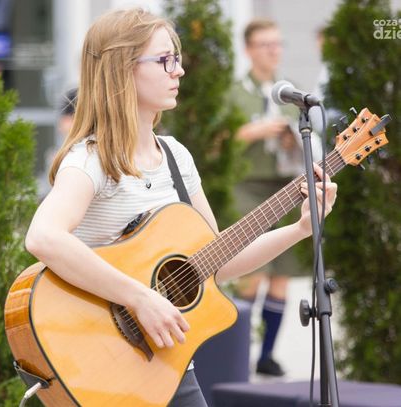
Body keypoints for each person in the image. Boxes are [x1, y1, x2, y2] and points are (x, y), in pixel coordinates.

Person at [25, 8, 337, 405]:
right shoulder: (91, 159)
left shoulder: (176, 157)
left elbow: (217, 261)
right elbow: (43, 237)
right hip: (103, 369)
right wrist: (140, 297)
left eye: (177, 58)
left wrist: (299, 229)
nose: (179, 71)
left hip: (170, 366)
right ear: (123, 70)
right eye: (165, 60)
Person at [229, 18, 318, 377]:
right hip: (248, 185)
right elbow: (219, 140)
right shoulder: (234, 92)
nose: (273, 51)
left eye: (277, 44)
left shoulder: (290, 91)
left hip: (285, 185)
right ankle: (238, 352)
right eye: (265, 44)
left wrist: (288, 136)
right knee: (251, 273)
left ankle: (266, 355)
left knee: (282, 275)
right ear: (249, 49)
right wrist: (254, 131)